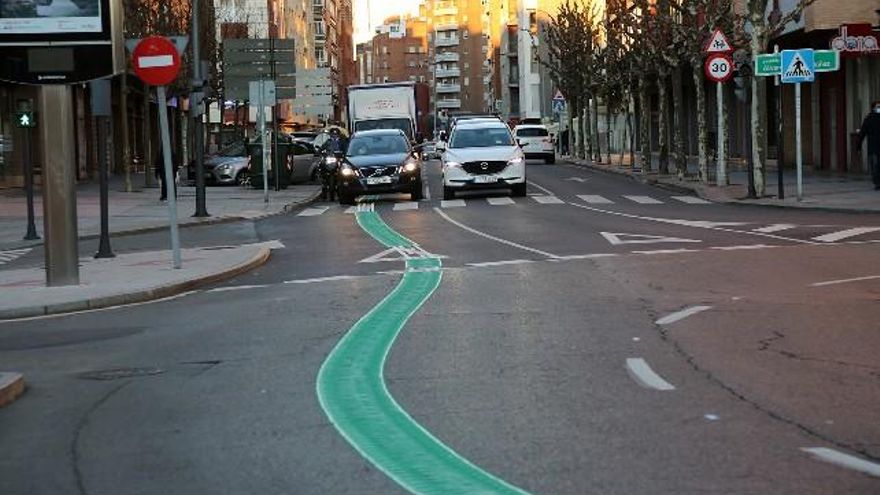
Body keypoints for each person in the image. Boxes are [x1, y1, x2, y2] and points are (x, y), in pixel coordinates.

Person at [857, 100, 880, 190]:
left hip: (874, 147)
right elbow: (862, 133)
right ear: (873, 108)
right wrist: (858, 146)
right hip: (874, 147)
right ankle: (877, 183)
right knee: (875, 166)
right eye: (877, 107)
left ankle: (877, 182)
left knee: (877, 166)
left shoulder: (868, 118)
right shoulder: (869, 119)